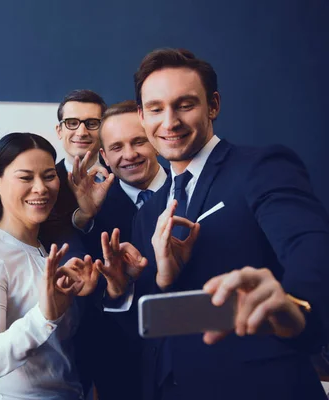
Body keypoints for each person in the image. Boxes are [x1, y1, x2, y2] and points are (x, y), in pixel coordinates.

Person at [119, 48, 329, 400]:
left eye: (185, 105)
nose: (169, 122)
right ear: (141, 116)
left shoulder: (262, 167)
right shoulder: (149, 210)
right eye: (156, 109)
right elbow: (157, 322)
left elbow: (310, 245)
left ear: (213, 105)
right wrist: (158, 280)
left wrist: (297, 306)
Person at [0, 132, 104, 400]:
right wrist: (44, 317)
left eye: (49, 176)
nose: (40, 187)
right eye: (26, 177)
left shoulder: (42, 248)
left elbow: (55, 353)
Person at [67, 100, 167, 399]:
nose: (129, 155)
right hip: (119, 366)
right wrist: (85, 216)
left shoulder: (190, 190)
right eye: (117, 147)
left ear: (157, 142)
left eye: (139, 141)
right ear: (104, 156)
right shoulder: (91, 208)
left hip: (191, 356)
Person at [39, 89, 109, 250]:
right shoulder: (42, 184)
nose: (82, 132)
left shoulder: (120, 177)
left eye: (91, 123)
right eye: (72, 123)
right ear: (59, 131)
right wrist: (83, 216)